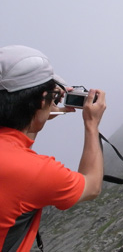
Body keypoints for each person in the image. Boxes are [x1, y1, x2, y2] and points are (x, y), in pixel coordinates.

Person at [0, 45, 106, 251]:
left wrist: (38, 114)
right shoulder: (33, 171)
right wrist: (91, 125)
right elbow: (92, 186)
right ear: (42, 101)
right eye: (51, 97)